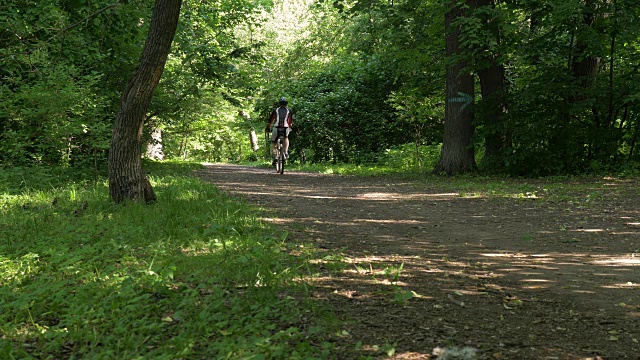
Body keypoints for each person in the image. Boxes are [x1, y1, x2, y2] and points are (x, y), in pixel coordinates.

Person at [265, 97, 293, 165]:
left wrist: (268, 127)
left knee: (273, 142)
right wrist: (290, 127)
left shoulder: (276, 110)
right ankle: (286, 152)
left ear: (279, 103)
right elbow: (290, 121)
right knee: (286, 137)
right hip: (285, 128)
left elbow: (271, 120)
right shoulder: (289, 110)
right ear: (286, 103)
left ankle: (275, 156)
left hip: (276, 128)